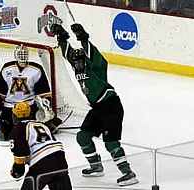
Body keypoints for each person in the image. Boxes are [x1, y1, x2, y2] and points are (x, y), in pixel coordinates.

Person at [50, 23, 138, 186]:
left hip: (111, 107)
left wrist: (83, 37)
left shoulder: (95, 68)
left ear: (85, 61)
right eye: (75, 63)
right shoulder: (77, 67)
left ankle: (128, 173)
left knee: (111, 143)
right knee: (82, 136)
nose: (77, 65)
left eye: (80, 62)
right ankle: (96, 166)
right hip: (97, 108)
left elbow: (95, 55)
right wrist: (62, 36)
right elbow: (68, 53)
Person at [0, 44, 61, 140]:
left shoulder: (36, 69)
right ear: (15, 55)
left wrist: (45, 105)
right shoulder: (7, 69)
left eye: (24, 54)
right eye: (20, 54)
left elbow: (44, 93)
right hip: (9, 108)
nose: (22, 56)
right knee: (6, 130)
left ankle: (48, 123)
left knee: (35, 130)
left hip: (29, 107)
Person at [9, 99, 72, 190]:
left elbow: (21, 152)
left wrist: (17, 169)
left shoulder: (18, 128)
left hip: (42, 163)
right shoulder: (42, 125)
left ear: (14, 116)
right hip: (60, 159)